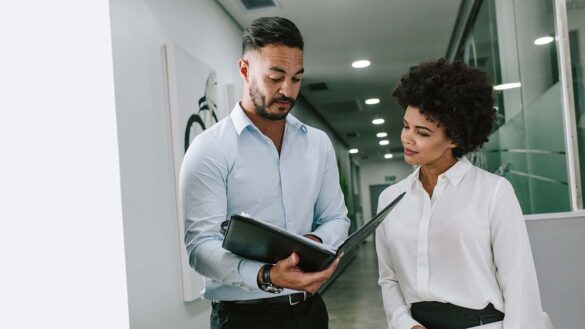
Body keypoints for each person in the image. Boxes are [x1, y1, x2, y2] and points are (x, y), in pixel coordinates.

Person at [180, 16, 350, 329]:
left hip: (310, 311)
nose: (288, 90)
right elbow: (200, 248)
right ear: (245, 70)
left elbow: (337, 218)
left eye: (297, 79)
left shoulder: (318, 144)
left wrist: (310, 246)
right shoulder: (209, 149)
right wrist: (267, 275)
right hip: (244, 318)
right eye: (275, 77)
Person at [375, 59, 545, 329]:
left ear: (454, 137)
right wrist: (405, 324)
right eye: (406, 126)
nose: (407, 138)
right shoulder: (390, 200)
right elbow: (389, 279)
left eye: (422, 132)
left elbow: (519, 283)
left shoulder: (493, 192)